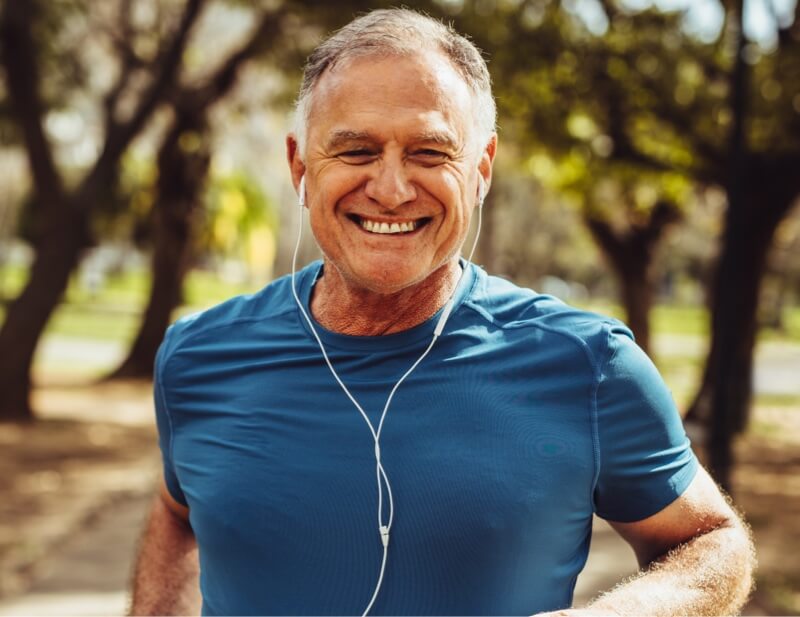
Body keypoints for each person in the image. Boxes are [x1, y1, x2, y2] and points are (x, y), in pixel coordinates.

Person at [130, 8, 755, 616]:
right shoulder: (197, 356)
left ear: (480, 169)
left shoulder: (589, 364)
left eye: (430, 153)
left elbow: (710, 542)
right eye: (355, 151)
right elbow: (177, 511)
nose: (392, 188)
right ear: (299, 165)